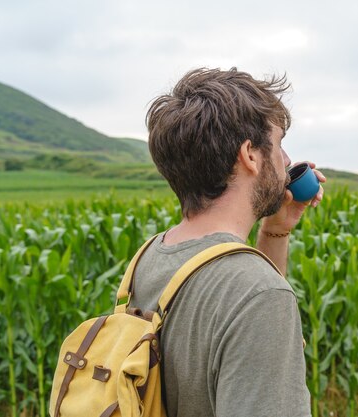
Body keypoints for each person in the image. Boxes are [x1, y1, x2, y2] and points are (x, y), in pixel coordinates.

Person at [130, 67, 326, 417]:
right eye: (279, 144)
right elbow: (250, 295)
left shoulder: (149, 258)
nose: (285, 162)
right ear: (250, 155)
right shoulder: (260, 295)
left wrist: (275, 232)